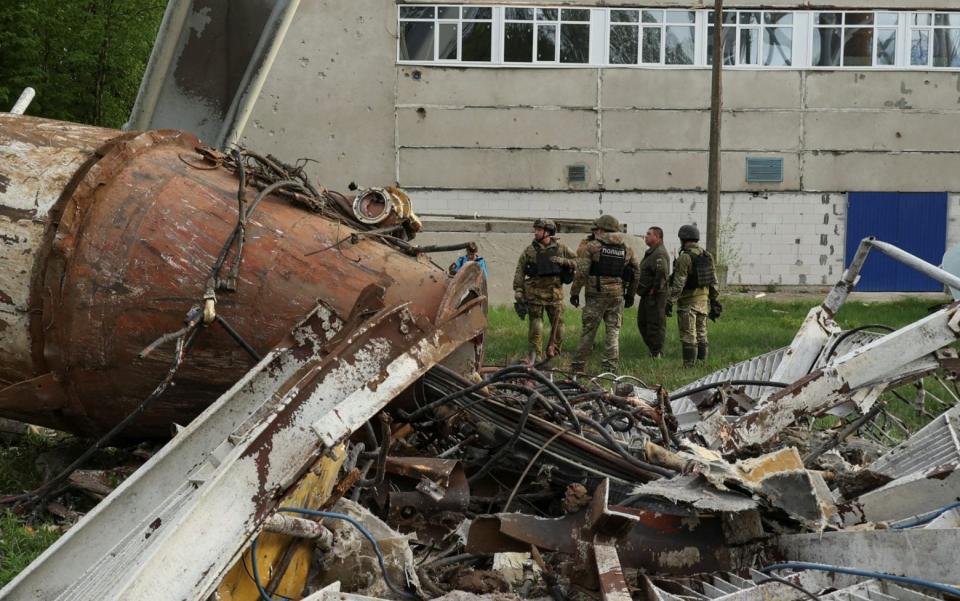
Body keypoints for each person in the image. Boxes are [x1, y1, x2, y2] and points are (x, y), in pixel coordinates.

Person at [569, 214, 639, 373]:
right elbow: (636, 272)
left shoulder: (593, 246)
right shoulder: (626, 248)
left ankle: (578, 367)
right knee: (613, 332)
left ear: (601, 229)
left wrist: (575, 293)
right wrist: (630, 295)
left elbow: (581, 272)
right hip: (617, 295)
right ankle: (609, 370)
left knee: (589, 331)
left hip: (596, 295)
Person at [513, 219, 576, 362]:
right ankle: (536, 358)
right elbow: (520, 271)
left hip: (555, 296)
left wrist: (563, 261)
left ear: (548, 232)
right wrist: (518, 290)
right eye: (535, 229)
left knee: (559, 326)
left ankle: (554, 354)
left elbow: (578, 262)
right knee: (536, 327)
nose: (535, 232)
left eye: (539, 230)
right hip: (535, 295)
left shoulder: (562, 249)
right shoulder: (529, 251)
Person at [666, 224, 722, 367]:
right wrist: (714, 300)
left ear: (683, 239)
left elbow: (679, 283)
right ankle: (702, 364)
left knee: (688, 334)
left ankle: (689, 365)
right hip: (703, 300)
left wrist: (670, 301)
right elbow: (714, 280)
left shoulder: (685, 257)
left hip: (688, 302)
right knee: (701, 332)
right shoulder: (707, 255)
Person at [635, 226, 670, 358]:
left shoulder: (659, 253)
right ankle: (652, 350)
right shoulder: (652, 252)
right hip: (647, 294)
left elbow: (661, 273)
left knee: (655, 324)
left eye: (649, 234)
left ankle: (656, 353)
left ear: (657, 237)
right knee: (643, 322)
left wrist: (654, 290)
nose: (646, 236)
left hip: (655, 296)